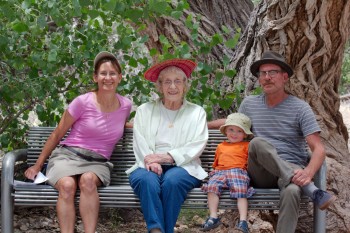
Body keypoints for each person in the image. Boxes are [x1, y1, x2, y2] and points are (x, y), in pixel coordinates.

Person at [208, 51, 336, 233]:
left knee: (292, 191)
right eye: (262, 73)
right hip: (260, 171)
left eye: (272, 72)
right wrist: (201, 125)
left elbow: (319, 149)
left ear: (285, 77)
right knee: (257, 143)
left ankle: (300, 184)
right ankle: (312, 190)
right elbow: (230, 123)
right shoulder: (249, 104)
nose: (267, 77)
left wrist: (307, 173)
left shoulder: (300, 108)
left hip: (291, 168)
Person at [24, 51, 132, 233]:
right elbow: (58, 134)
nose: (108, 78)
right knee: (67, 186)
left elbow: (115, 123)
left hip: (98, 163)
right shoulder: (82, 102)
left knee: (88, 181)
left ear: (119, 78)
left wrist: (142, 127)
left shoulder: (125, 106)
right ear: (95, 77)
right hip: (67, 157)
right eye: (103, 73)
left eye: (112, 73)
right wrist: (37, 165)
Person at [126, 58, 208, 233]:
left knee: (172, 181)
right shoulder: (144, 110)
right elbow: (139, 141)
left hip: (184, 166)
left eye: (177, 81)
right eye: (167, 82)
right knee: (145, 180)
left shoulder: (197, 112)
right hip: (148, 164)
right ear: (160, 86)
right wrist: (151, 161)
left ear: (185, 86)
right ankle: (156, 230)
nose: (173, 87)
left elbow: (197, 143)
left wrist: (166, 157)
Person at [201, 113, 255, 233]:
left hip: (238, 171)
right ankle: (213, 216)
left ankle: (243, 221)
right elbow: (216, 163)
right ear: (225, 131)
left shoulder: (247, 145)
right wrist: (214, 171)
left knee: (241, 190)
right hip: (220, 171)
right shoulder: (221, 146)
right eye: (231, 129)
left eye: (239, 131)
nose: (234, 133)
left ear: (245, 134)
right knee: (212, 186)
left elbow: (250, 163)